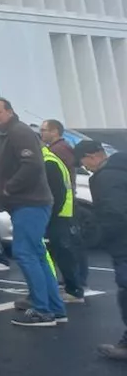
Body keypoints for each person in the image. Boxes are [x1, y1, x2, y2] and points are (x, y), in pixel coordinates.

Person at [0, 98, 66, 327]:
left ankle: (43, 310)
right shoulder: (6, 133)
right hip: (26, 204)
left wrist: (8, 188)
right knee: (37, 255)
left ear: (10, 112)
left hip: (29, 203)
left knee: (26, 254)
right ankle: (55, 308)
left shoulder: (18, 132)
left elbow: (31, 165)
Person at [72, 140, 127, 360]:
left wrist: (98, 236)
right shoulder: (122, 169)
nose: (85, 167)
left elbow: (114, 214)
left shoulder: (106, 177)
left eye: (84, 162)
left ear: (92, 156)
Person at [40, 123, 85, 303]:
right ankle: (72, 283)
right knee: (61, 249)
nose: (41, 133)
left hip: (59, 212)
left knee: (63, 249)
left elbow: (57, 189)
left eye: (44, 130)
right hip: (61, 210)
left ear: (55, 131)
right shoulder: (56, 151)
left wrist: (50, 213)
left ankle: (75, 286)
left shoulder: (55, 154)